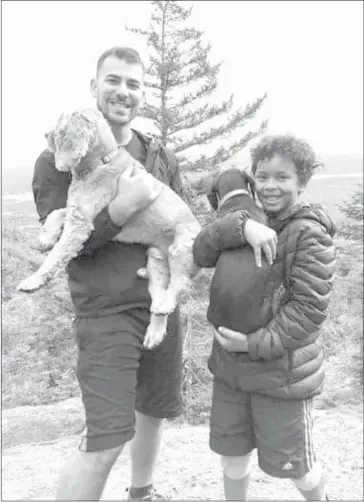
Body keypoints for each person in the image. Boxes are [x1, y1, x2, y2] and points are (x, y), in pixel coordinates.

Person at [32, 45, 277, 501]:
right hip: (105, 313)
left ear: (142, 94)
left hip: (160, 307)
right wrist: (120, 210)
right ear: (94, 87)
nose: (123, 92)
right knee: (106, 436)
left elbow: (182, 228)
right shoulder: (59, 159)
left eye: (133, 84)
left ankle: (141, 492)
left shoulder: (157, 153)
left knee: (152, 410)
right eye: (113, 81)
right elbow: (61, 243)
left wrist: (242, 224)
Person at [192, 134, 337, 501]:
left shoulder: (309, 235)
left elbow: (308, 311)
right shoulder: (246, 224)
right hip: (230, 371)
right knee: (232, 456)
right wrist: (241, 227)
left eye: (282, 177)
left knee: (296, 465)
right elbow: (201, 250)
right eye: (262, 176)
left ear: (302, 182)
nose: (270, 185)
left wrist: (252, 343)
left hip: (280, 375)